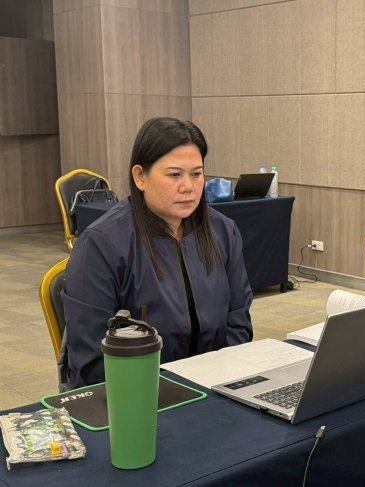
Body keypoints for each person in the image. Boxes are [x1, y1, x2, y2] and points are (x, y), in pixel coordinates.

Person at [60, 117, 253, 390]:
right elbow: (92, 360)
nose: (188, 186)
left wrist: (217, 382)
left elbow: (239, 324)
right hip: (135, 393)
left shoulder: (223, 231)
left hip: (215, 386)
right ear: (140, 177)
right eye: (174, 175)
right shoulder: (102, 243)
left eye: (196, 174)